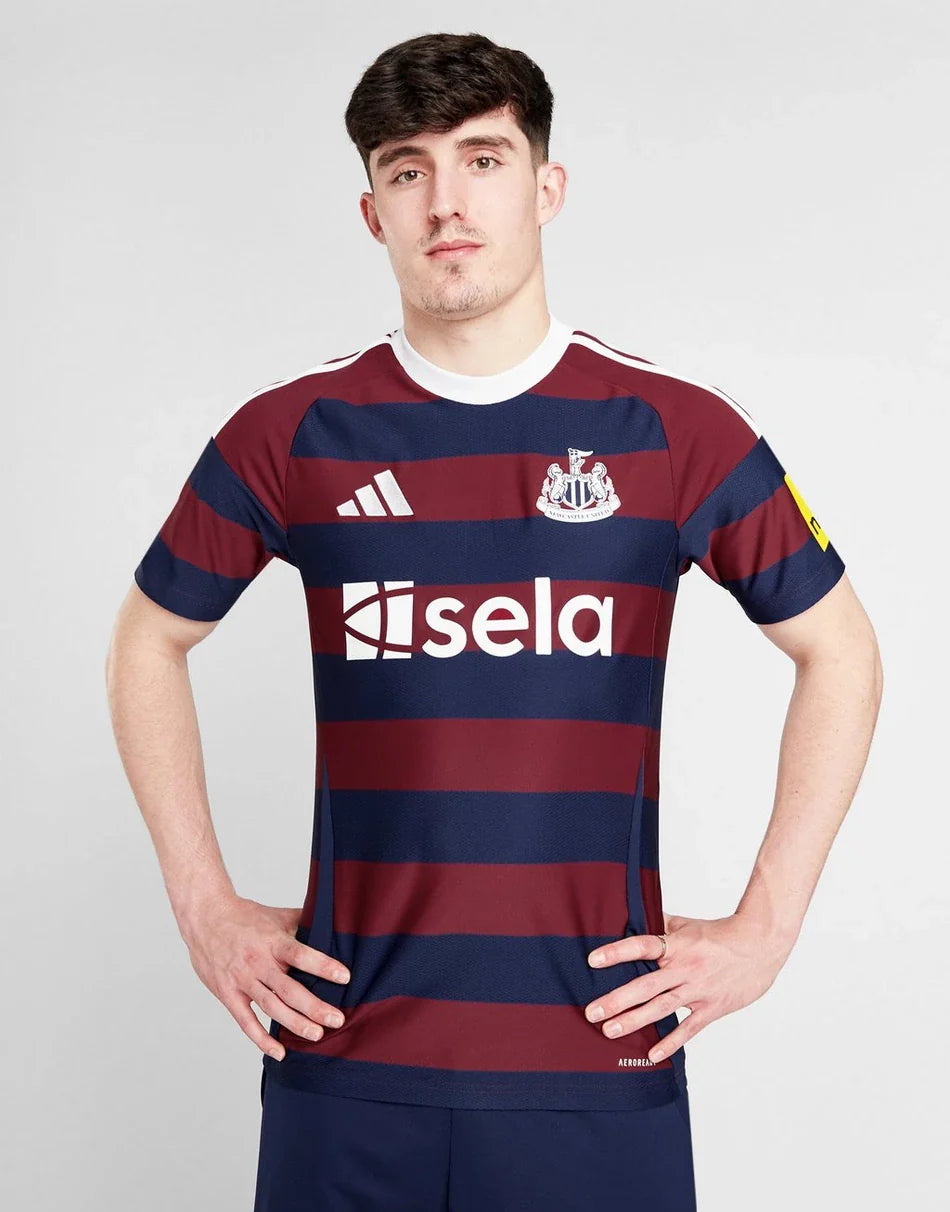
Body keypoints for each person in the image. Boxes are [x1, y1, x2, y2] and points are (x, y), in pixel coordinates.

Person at [105, 30, 883, 1212]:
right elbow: (146, 638)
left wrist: (764, 928)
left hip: (596, 1068)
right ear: (371, 211)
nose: (445, 203)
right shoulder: (291, 433)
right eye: (407, 170)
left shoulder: (672, 431)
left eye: (482, 159)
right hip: (346, 1066)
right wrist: (202, 904)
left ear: (545, 188)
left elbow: (840, 651)